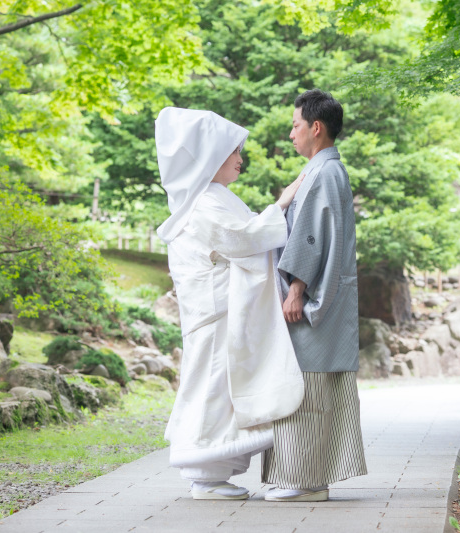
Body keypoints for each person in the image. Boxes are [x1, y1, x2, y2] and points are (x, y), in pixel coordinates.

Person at [155, 107, 305, 500]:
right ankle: (204, 472)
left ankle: (210, 472)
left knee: (215, 386)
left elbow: (245, 237)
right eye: (233, 151)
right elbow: (243, 240)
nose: (240, 159)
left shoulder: (210, 197)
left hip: (218, 309)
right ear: (209, 157)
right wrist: (283, 203)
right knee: (213, 386)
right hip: (216, 311)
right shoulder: (204, 202)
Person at [261, 90, 368, 502]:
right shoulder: (327, 172)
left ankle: (305, 482)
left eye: (295, 125)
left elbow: (313, 237)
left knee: (305, 387)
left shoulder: (323, 174)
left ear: (316, 128)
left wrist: (297, 289)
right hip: (326, 296)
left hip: (311, 301)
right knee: (317, 388)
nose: (291, 133)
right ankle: (310, 478)